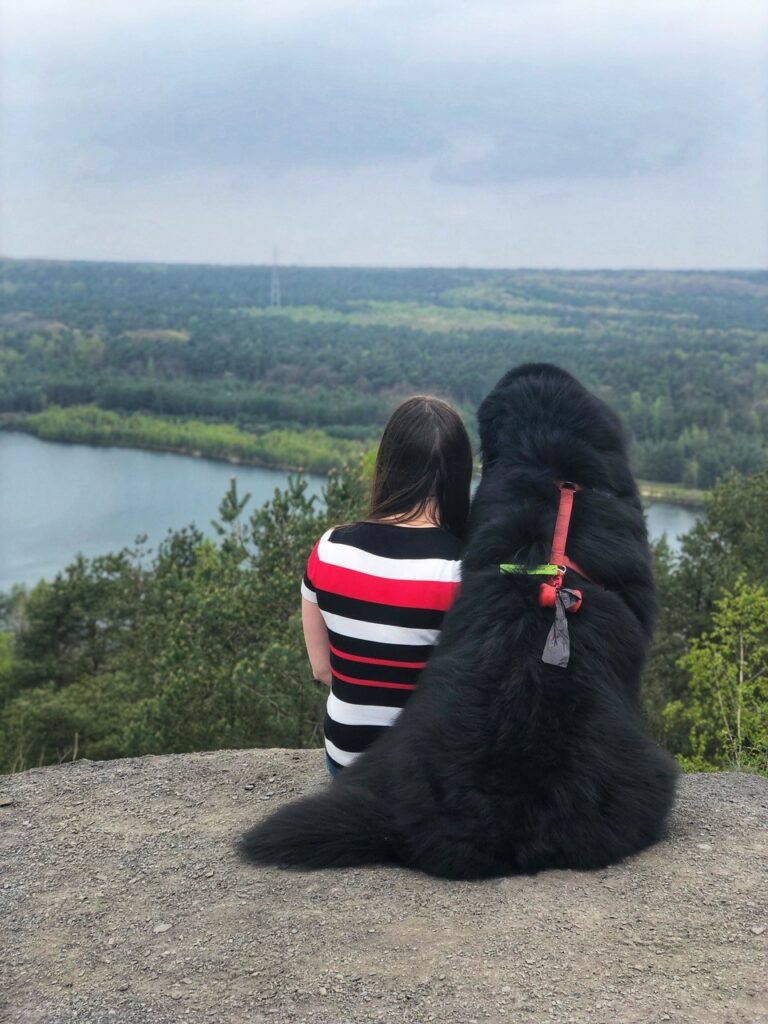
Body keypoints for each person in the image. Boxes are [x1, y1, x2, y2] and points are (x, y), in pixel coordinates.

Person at [301, 396, 473, 776]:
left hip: (345, 761)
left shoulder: (329, 549)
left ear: (389, 464)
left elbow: (321, 669)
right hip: (423, 775)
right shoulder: (461, 571)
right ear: (459, 474)